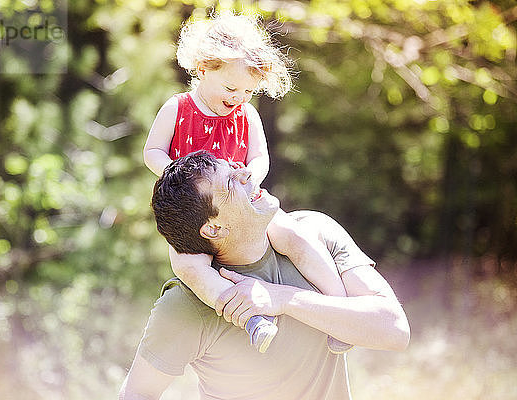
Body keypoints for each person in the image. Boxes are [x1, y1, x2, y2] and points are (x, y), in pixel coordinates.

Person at [119, 152, 410, 399]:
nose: (246, 174)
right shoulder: (187, 304)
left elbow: (394, 329)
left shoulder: (316, 232)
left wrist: (282, 300)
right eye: (231, 182)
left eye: (234, 167)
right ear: (213, 228)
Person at [143, 12, 352, 354]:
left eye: (248, 91)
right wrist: (174, 171)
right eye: (230, 87)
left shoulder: (246, 115)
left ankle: (339, 308)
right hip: (196, 211)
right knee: (188, 265)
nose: (239, 96)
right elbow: (151, 151)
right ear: (203, 68)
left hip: (246, 202)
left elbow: (259, 158)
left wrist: (251, 176)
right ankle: (251, 319)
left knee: (294, 235)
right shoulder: (178, 108)